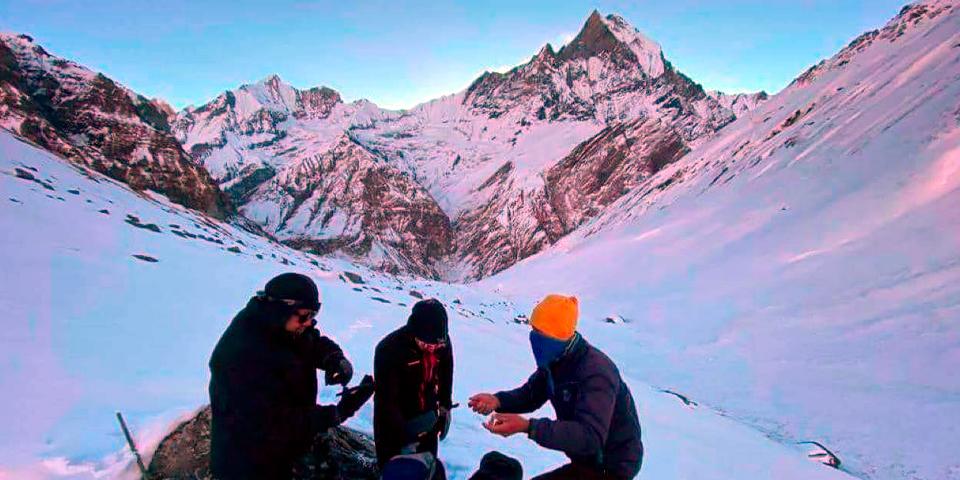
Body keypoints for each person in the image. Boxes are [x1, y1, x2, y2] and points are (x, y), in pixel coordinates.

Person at [208, 272, 374, 479]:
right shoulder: (241, 355)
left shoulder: (279, 326)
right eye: (304, 316)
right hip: (251, 463)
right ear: (280, 309)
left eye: (313, 316)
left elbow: (311, 341)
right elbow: (271, 424)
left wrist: (333, 358)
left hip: (284, 452)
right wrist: (335, 414)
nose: (308, 322)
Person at [469, 295, 643, 480]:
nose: (533, 337)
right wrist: (498, 400)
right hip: (586, 462)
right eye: (533, 329)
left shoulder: (595, 373)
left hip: (611, 469)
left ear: (557, 335)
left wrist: (529, 427)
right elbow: (531, 394)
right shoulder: (557, 359)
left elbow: (589, 437)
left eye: (539, 332)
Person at [374, 299, 454, 479]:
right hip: (395, 418)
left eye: (437, 346)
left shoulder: (441, 342)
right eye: (427, 344)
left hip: (427, 413)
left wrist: (444, 406)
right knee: (397, 471)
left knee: (427, 469)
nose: (432, 349)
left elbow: (446, 371)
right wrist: (402, 438)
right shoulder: (389, 349)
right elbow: (387, 401)